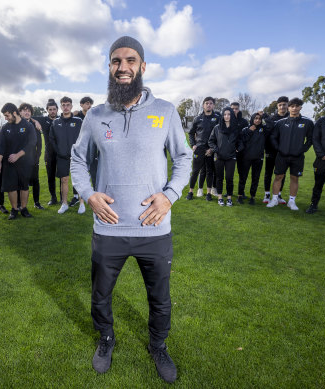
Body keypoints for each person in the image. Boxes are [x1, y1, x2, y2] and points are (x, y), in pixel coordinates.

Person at [71, 36, 192, 383]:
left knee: (160, 298)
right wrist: (88, 194)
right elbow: (78, 160)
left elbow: (184, 157)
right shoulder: (95, 116)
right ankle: (106, 339)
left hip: (154, 228)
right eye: (115, 61)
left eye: (130, 60)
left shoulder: (166, 111)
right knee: (100, 295)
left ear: (142, 67)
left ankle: (158, 344)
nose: (123, 67)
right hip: (108, 229)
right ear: (109, 67)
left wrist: (169, 195)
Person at [267, 98, 314, 211]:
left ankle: (291, 202)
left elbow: (311, 139)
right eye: (292, 106)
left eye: (297, 106)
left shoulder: (307, 122)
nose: (294, 108)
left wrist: (302, 149)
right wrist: (278, 148)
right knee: (278, 177)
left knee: (295, 178)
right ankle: (274, 199)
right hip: (282, 156)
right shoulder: (280, 123)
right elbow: (273, 137)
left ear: (300, 107)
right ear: (289, 108)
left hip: (297, 157)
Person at [0, 103, 37, 220]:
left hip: (25, 162)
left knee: (24, 186)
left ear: (14, 113)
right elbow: (1, 146)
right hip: (9, 163)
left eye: (7, 115)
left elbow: (32, 143)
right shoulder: (5, 128)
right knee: (11, 187)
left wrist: (18, 155)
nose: (6, 118)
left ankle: (24, 208)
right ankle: (14, 210)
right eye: (5, 116)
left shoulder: (28, 126)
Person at [50, 96, 85, 214]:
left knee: (79, 180)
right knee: (64, 180)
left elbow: (84, 137)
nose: (66, 107)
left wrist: (78, 151)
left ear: (71, 106)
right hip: (62, 157)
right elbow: (52, 139)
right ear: (61, 107)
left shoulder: (78, 121)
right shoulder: (56, 122)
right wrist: (59, 151)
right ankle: (64, 204)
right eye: (63, 105)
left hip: (76, 156)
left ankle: (81, 203)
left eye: (68, 105)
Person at [186, 97, 220, 201]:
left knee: (210, 171)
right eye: (206, 103)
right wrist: (193, 145)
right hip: (199, 148)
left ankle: (209, 193)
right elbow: (191, 133)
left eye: (211, 103)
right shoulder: (198, 118)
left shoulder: (217, 118)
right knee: (195, 171)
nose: (209, 105)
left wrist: (213, 149)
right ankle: (190, 192)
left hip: (210, 149)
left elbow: (220, 135)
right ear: (203, 105)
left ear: (213, 105)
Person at [208, 107, 243, 206]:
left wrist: (238, 148)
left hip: (231, 157)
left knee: (229, 178)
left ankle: (229, 198)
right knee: (219, 178)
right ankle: (220, 197)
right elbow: (211, 141)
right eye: (225, 114)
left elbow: (240, 141)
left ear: (231, 115)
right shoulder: (217, 128)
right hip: (219, 157)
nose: (227, 116)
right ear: (222, 116)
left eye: (229, 114)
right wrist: (216, 150)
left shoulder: (235, 128)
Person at [262, 96, 289, 204]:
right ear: (277, 106)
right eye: (280, 105)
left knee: (282, 174)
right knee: (268, 173)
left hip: (284, 152)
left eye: (284, 104)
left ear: (287, 105)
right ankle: (267, 194)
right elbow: (267, 135)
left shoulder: (291, 118)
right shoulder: (272, 119)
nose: (282, 107)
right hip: (271, 151)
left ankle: (278, 194)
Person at [237, 112, 267, 205]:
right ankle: (240, 196)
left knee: (255, 178)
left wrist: (265, 115)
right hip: (246, 157)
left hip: (258, 158)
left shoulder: (263, 129)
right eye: (256, 118)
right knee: (243, 177)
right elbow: (242, 141)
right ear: (252, 119)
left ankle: (252, 197)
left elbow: (271, 124)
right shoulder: (246, 129)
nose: (257, 120)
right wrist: (250, 131)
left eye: (259, 118)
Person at [19, 103, 44, 210]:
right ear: (19, 112)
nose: (27, 112)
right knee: (20, 182)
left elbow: (39, 144)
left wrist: (37, 158)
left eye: (29, 110)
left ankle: (37, 202)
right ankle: (20, 204)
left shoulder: (35, 125)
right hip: (20, 160)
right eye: (24, 110)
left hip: (33, 160)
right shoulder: (17, 125)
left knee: (35, 181)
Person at [37, 99, 60, 206]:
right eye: (50, 109)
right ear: (47, 110)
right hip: (49, 154)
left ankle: (63, 197)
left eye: (54, 109)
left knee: (63, 177)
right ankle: (53, 197)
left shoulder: (61, 119)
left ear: (57, 110)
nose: (52, 111)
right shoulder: (43, 120)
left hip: (61, 154)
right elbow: (28, 117)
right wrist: (35, 121)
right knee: (50, 177)